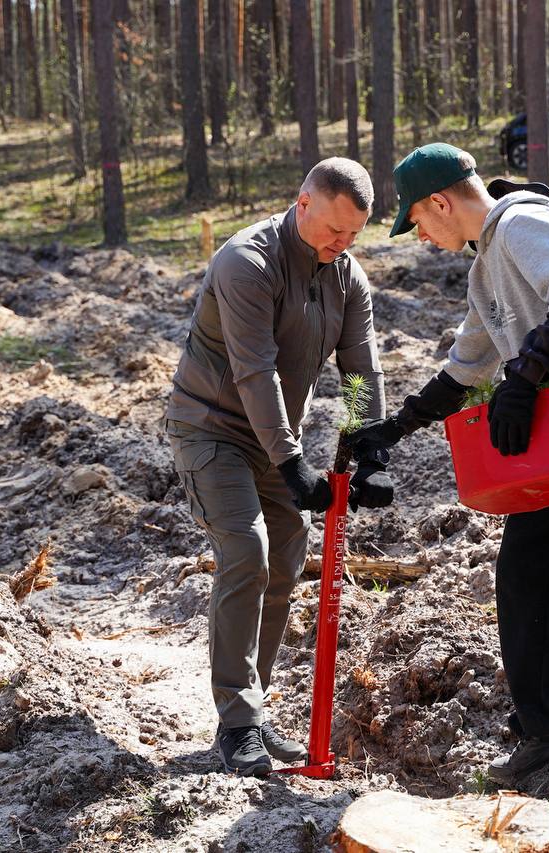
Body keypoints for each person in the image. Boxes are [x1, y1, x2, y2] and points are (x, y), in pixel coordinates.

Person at [347, 143, 549, 836]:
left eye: (419, 222)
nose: (422, 237)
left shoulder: (520, 222)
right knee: (525, 579)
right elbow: (469, 361)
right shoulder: (486, 262)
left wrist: (525, 379)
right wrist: (396, 426)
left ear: (443, 202)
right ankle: (547, 732)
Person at [164, 158, 394, 777]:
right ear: (303, 203)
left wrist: (368, 448)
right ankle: (237, 722)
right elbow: (254, 371)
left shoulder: (347, 278)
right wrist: (293, 466)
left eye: (353, 236)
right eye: (332, 231)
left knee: (288, 549)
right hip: (210, 426)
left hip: (272, 434)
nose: (341, 246)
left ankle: (253, 712)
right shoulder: (247, 262)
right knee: (247, 546)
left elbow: (360, 370)